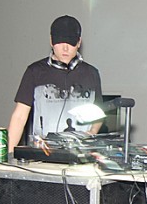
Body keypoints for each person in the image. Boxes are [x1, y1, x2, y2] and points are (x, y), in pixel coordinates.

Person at [7, 15, 104, 153]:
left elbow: (98, 113)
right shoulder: (35, 72)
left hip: (80, 154)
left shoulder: (91, 73)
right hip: (43, 153)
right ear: (51, 41)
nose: (65, 48)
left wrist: (92, 132)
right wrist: (8, 155)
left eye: (70, 42)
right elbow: (19, 116)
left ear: (79, 42)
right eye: (60, 42)